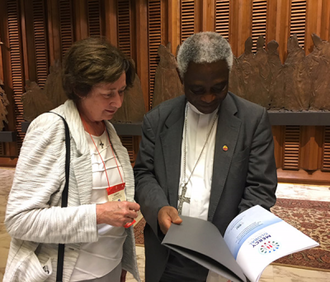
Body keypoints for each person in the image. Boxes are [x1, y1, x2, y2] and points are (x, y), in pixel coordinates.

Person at [134, 31, 277, 282]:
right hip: (169, 254)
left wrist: (234, 239)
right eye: (197, 89)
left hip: (224, 257)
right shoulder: (157, 120)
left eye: (218, 87)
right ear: (181, 76)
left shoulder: (252, 120)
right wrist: (158, 209)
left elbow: (261, 188)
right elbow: (144, 174)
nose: (209, 98)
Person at [4, 37, 141, 282]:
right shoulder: (51, 128)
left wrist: (120, 263)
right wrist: (97, 214)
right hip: (69, 274)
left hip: (109, 269)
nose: (118, 102)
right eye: (108, 94)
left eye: (121, 92)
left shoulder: (108, 130)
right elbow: (19, 220)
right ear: (80, 89)